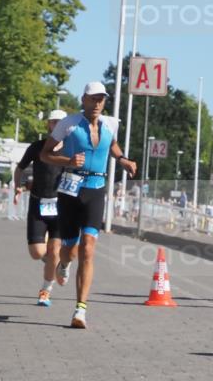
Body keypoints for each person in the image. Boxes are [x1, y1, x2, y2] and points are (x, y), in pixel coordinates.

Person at [40, 82, 137, 329]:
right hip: (70, 190)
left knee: (89, 247)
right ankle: (64, 264)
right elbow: (45, 154)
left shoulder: (111, 123)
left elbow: (112, 144)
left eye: (101, 99)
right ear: (83, 99)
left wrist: (122, 158)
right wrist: (68, 160)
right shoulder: (68, 124)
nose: (96, 103)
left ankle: (80, 309)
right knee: (70, 250)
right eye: (93, 98)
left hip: (96, 188)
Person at [13, 110, 67, 307]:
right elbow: (19, 168)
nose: (58, 126)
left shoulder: (71, 149)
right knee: (37, 252)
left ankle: (45, 290)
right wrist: (17, 188)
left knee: (54, 250)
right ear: (49, 125)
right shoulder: (37, 147)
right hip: (38, 203)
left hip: (62, 207)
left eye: (62, 123)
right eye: (54, 123)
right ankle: (56, 263)